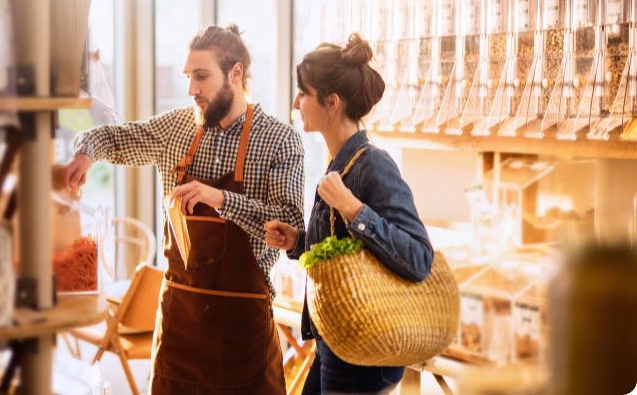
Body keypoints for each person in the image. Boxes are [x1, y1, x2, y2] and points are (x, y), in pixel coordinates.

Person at [62, 24, 305, 394]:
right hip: (180, 331)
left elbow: (289, 226)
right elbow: (110, 136)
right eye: (189, 77)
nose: (192, 89)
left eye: (202, 77)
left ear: (236, 73)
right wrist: (85, 151)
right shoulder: (177, 128)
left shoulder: (279, 139)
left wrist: (221, 199)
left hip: (243, 335)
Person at [264, 33, 434, 395]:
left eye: (303, 93)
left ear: (332, 102)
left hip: (364, 354)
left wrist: (352, 208)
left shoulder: (373, 164)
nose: (296, 102)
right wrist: (299, 242)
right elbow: (349, 251)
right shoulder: (339, 164)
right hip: (338, 342)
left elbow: (419, 257)